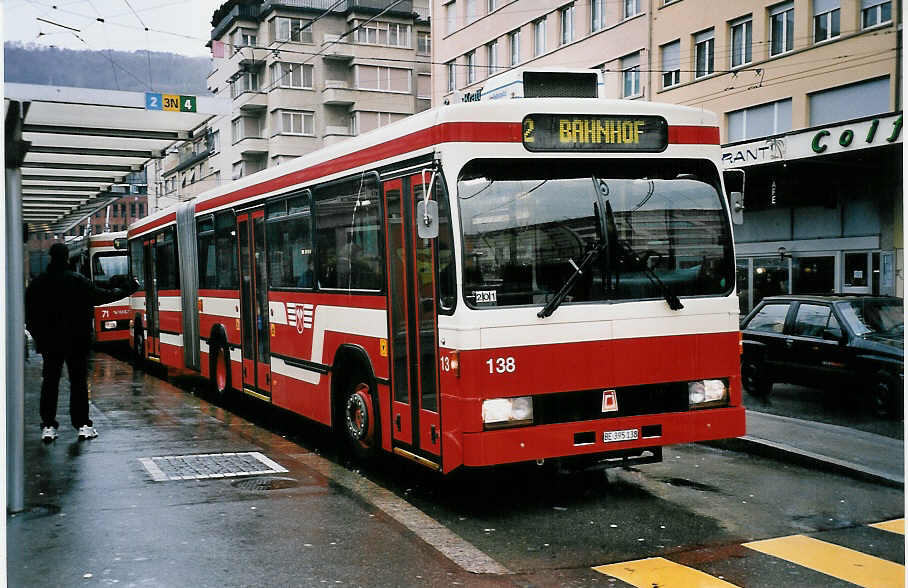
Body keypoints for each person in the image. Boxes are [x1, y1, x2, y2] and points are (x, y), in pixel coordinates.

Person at [25, 243, 139, 442]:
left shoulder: (38, 284)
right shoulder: (77, 281)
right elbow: (104, 296)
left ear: (50, 257)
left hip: (50, 343)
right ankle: (83, 425)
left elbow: (30, 316)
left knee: (50, 382)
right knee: (78, 382)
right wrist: (129, 288)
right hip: (76, 341)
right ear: (67, 258)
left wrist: (40, 338)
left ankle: (48, 426)